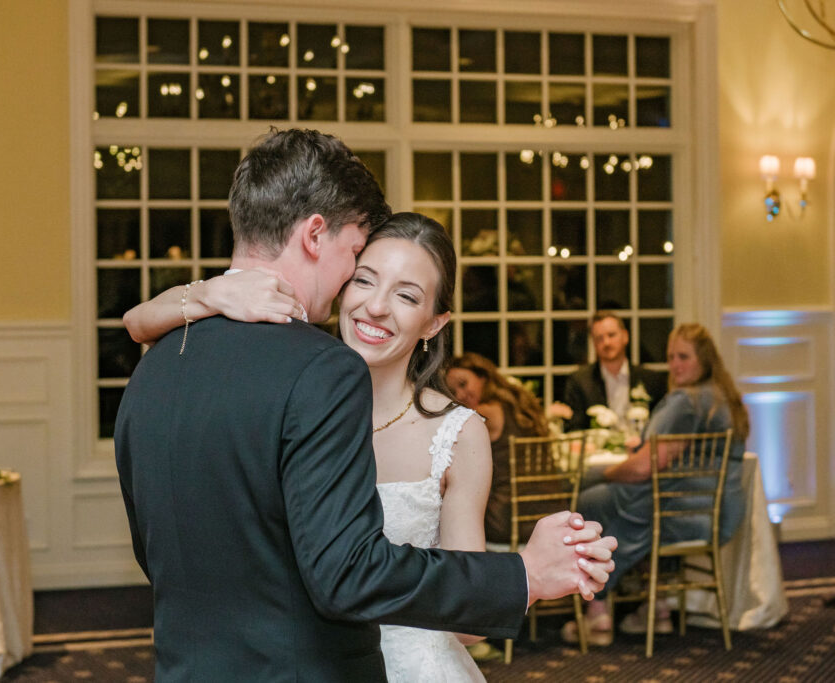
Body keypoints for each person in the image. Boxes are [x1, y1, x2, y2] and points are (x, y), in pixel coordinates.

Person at [115, 127, 616, 681]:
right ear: (314, 235)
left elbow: (157, 555)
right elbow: (345, 573)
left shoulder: (154, 366)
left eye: (405, 294)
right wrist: (522, 574)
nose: (360, 298)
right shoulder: (323, 371)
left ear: (434, 321)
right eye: (356, 260)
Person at [563, 322, 749, 645]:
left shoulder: (686, 402)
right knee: (620, 501)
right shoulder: (723, 398)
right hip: (719, 511)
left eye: (684, 357)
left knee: (591, 497)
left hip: (684, 512)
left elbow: (644, 467)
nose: (675, 365)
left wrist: (601, 474)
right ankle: (656, 606)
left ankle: (597, 608)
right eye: (671, 357)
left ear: (704, 360)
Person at [446, 352, 559, 545]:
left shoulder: (483, 414)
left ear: (483, 377)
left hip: (506, 520)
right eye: (453, 392)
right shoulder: (518, 405)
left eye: (463, 384)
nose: (460, 395)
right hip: (549, 513)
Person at [559, 312, 668, 432]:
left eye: (611, 335)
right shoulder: (580, 381)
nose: (606, 343)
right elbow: (574, 429)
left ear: (625, 336)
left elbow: (662, 425)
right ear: (593, 343)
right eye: (599, 338)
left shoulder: (650, 379)